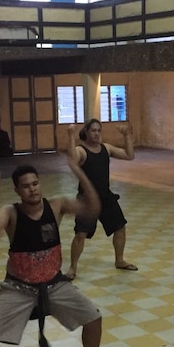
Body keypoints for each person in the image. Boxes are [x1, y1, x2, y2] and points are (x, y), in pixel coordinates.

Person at [0, 150, 120, 347]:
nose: (32, 190)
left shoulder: (56, 205)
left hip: (54, 284)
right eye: (25, 186)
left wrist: (79, 172)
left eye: (35, 183)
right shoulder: (12, 212)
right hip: (18, 288)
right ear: (17, 190)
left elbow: (92, 208)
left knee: (94, 318)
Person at [65, 119, 136, 279]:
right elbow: (73, 159)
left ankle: (119, 260)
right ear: (87, 132)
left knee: (120, 228)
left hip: (106, 197)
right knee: (81, 234)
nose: (96, 133)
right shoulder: (81, 150)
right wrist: (70, 135)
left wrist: (127, 136)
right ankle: (72, 267)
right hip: (87, 200)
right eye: (93, 130)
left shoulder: (107, 148)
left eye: (99, 130)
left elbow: (129, 155)